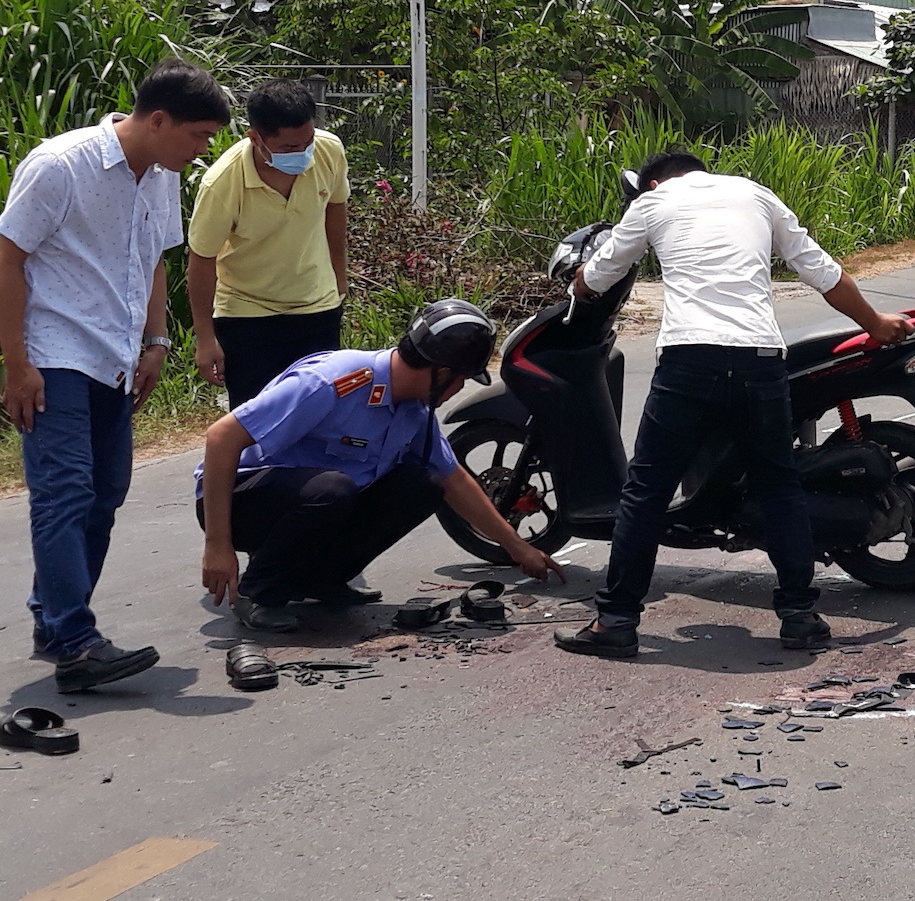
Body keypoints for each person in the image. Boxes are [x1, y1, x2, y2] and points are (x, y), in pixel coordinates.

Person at [555, 152, 915, 658]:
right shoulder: (755, 194)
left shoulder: (653, 202)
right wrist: (875, 323)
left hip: (689, 360)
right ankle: (799, 617)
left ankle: (616, 621)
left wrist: (576, 282)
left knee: (646, 492)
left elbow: (598, 276)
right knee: (778, 486)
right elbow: (823, 272)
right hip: (759, 360)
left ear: (654, 180)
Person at [0, 59, 229, 692]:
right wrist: (16, 364)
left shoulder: (160, 174)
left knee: (105, 493)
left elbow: (154, 257)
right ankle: (75, 639)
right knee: (65, 491)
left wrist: (157, 340)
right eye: (198, 135)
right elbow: (8, 256)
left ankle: (56, 625)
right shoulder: (58, 165)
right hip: (55, 353)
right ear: (158, 120)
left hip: (118, 356)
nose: (203, 148)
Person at [196, 299, 566, 633]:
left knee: (422, 484)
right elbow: (221, 439)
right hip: (239, 501)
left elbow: (454, 480)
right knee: (334, 489)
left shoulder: (414, 410)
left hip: (309, 504)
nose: (459, 390)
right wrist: (218, 544)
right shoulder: (333, 381)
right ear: (440, 372)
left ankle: (320, 580)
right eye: (462, 380)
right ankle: (258, 593)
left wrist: (518, 549)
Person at [188, 79, 349, 408]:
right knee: (258, 421)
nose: (303, 154)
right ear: (256, 138)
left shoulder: (329, 151)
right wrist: (206, 339)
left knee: (320, 415)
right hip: (247, 316)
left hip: (316, 307)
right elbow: (201, 259)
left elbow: (336, 207)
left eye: (307, 142)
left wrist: (339, 276)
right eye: (289, 149)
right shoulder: (223, 182)